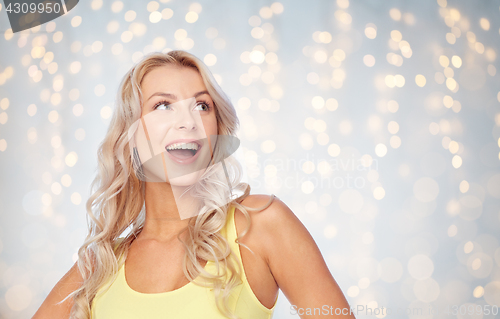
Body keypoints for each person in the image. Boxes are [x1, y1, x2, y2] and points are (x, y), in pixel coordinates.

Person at [32, 50, 356, 319]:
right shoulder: (99, 264)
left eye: (202, 106)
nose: (188, 121)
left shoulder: (260, 224)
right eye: (163, 105)